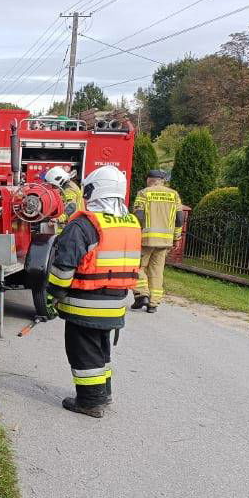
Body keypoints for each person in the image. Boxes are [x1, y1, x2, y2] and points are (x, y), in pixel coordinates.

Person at [45, 166, 141, 418]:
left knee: (83, 351)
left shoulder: (84, 224)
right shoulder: (130, 222)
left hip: (85, 302)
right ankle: (103, 393)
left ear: (93, 190)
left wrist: (52, 294)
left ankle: (89, 402)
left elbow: (64, 266)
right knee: (100, 349)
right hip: (116, 302)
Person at [131, 169, 184, 313]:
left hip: (146, 240)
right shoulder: (174, 195)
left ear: (149, 180)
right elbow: (180, 219)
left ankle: (142, 295)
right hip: (165, 241)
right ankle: (153, 304)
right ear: (163, 181)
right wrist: (176, 237)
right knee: (157, 271)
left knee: (137, 267)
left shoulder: (144, 193)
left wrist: (135, 234)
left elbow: (139, 216)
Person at [44, 167, 85, 231]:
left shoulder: (68, 189)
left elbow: (71, 207)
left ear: (58, 180)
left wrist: (58, 219)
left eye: (53, 185)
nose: (52, 187)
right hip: (74, 223)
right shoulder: (67, 186)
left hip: (73, 224)